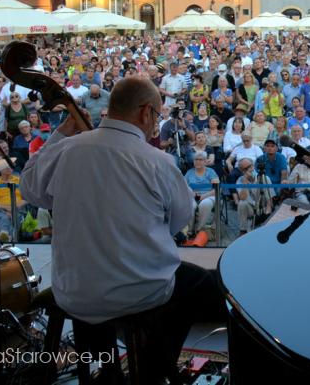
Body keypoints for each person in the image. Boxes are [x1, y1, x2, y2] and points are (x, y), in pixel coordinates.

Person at [21, 77, 225, 382]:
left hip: (73, 290)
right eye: (157, 116)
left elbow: (30, 189)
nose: (155, 124)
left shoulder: (67, 149)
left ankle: (110, 368)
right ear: (145, 112)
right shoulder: (158, 161)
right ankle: (154, 367)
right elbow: (178, 221)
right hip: (138, 293)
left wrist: (63, 133)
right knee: (198, 283)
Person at [185, 151, 219, 233]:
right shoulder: (189, 173)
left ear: (205, 161)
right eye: (195, 159)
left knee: (205, 204)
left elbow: (217, 189)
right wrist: (191, 193)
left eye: (200, 160)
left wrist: (204, 195)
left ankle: (200, 230)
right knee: (190, 205)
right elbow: (183, 186)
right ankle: (190, 231)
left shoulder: (210, 172)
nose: (197, 161)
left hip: (209, 195)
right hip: (193, 196)